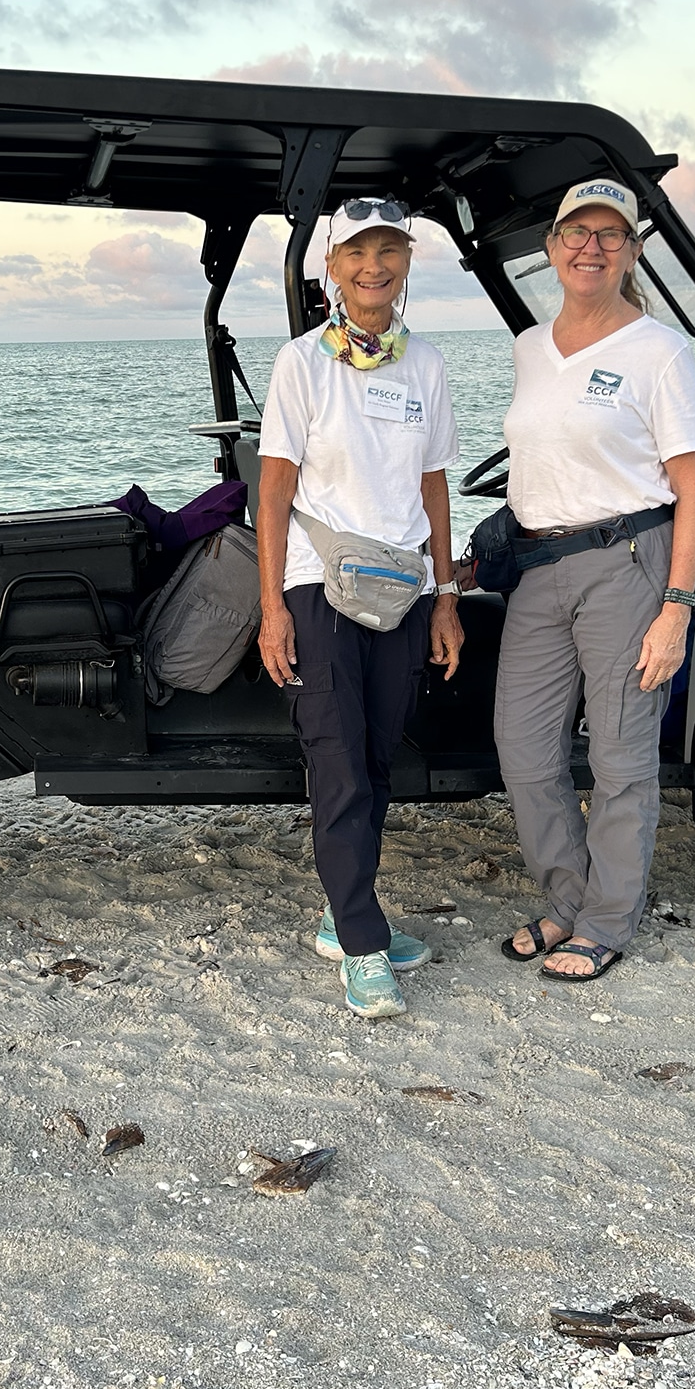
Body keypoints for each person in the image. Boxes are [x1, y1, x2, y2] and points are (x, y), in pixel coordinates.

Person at [493, 178, 695, 982]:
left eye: (609, 235)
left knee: (620, 758)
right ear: (550, 250)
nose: (591, 247)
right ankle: (568, 897)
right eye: (575, 233)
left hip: (627, 563)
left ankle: (607, 920)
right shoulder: (530, 346)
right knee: (522, 747)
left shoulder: (658, 351)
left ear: (633, 251)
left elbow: (694, 487)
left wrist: (676, 609)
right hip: (538, 569)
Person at [256, 196, 465, 1020]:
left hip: (402, 589)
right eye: (356, 253)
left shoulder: (429, 365)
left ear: (407, 262)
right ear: (331, 269)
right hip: (320, 585)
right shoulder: (301, 363)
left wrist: (447, 596)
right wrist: (271, 605)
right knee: (337, 760)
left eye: (389, 250)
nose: (372, 266)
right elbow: (271, 492)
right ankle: (365, 945)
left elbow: (434, 486)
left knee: (376, 761)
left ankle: (345, 915)